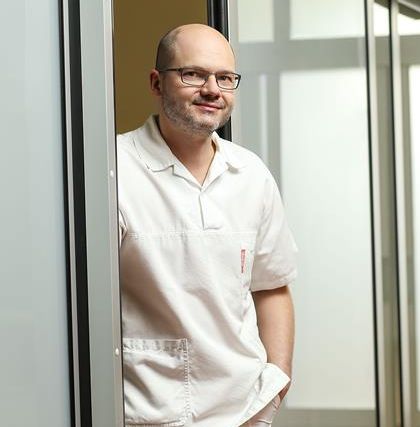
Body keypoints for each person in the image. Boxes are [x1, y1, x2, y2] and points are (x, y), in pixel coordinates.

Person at [117, 23, 298, 427]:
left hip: (245, 408)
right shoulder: (114, 168)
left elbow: (272, 285)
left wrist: (277, 380)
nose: (212, 89)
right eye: (193, 74)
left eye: (225, 78)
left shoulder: (250, 173)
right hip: (148, 409)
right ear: (156, 83)